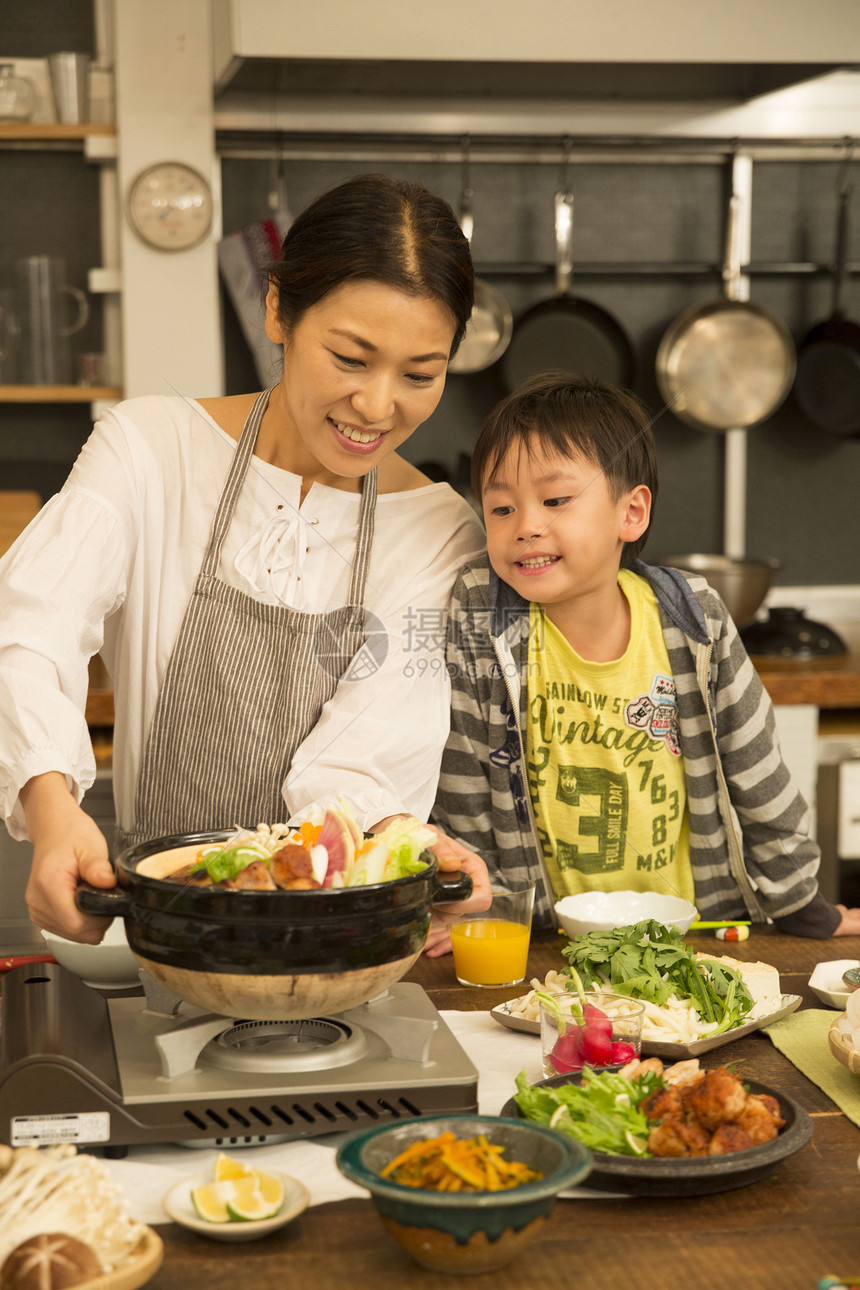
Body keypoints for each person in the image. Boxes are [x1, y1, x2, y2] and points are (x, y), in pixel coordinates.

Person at [0, 173, 491, 951]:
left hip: (337, 940)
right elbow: (29, 630)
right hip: (150, 927)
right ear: (277, 312)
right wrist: (55, 811)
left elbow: (368, 749)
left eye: (420, 374)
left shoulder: (438, 529)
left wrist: (393, 840)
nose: (377, 405)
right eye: (351, 358)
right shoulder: (150, 449)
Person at [432, 371, 860, 938]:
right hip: (543, 939)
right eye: (501, 508)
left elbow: (759, 770)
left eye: (555, 500)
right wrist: (480, 910)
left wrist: (800, 901)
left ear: (631, 513)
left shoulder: (693, 617)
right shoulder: (483, 613)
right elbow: (462, 777)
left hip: (693, 933)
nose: (526, 526)